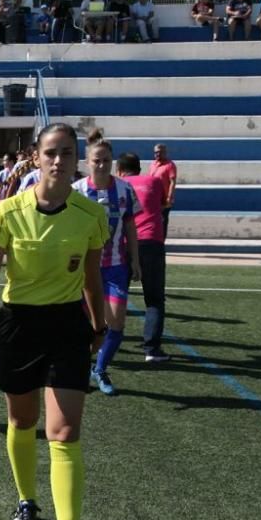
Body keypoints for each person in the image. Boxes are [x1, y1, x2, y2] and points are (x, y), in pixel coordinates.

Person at [0, 122, 108, 520]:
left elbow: (92, 277)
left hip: (68, 325)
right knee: (21, 420)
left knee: (65, 432)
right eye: (51, 152)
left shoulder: (91, 215)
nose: (58, 160)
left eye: (67, 153)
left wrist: (100, 320)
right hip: (18, 327)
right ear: (36, 157)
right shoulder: (8, 211)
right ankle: (26, 500)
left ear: (77, 160)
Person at [73, 130, 141, 396]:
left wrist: (135, 260)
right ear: (87, 162)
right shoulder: (76, 191)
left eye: (106, 160)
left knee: (116, 323)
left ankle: (100, 368)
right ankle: (80, 368)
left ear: (113, 161)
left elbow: (131, 227)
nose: (101, 165)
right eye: (96, 160)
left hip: (115, 266)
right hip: (82, 268)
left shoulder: (125, 189)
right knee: (82, 324)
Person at [115, 152, 170, 363]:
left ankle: (107, 343)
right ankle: (152, 349)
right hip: (151, 243)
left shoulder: (118, 185)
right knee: (154, 299)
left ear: (119, 170)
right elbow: (164, 203)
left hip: (124, 244)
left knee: (116, 296)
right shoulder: (154, 181)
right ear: (140, 168)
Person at [146, 143, 177, 238]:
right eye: (156, 152)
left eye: (160, 152)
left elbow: (172, 182)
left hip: (163, 200)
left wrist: (169, 197)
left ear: (165, 153)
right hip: (153, 199)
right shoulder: (152, 165)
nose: (157, 154)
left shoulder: (170, 165)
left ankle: (162, 242)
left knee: (163, 222)